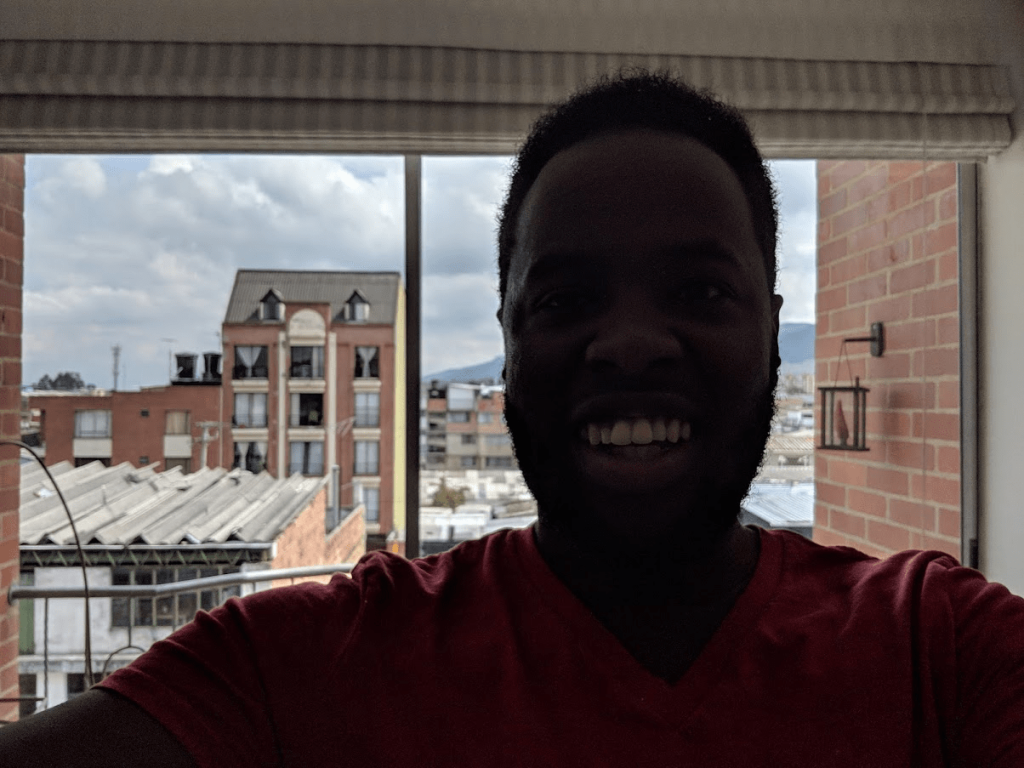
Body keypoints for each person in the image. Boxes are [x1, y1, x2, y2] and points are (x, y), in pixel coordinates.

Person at [3, 72, 1024, 767]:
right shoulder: (303, 665)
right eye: (565, 300)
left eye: (700, 292)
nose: (629, 343)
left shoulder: (940, 650)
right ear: (504, 345)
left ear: (773, 331)